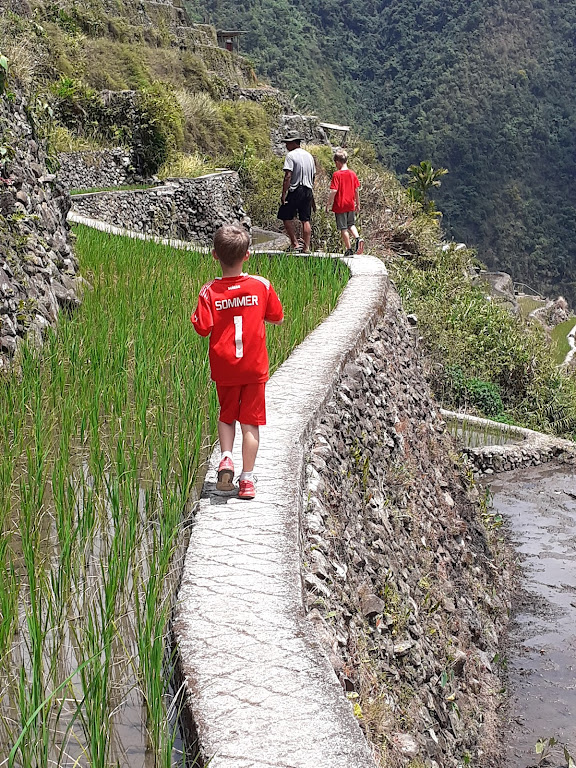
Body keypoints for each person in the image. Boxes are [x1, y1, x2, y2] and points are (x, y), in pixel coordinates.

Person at [191, 224, 284, 500]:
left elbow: (202, 328)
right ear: (247, 255)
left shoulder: (209, 291)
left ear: (214, 256)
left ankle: (227, 458)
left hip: (225, 367)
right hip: (254, 367)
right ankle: (246, 480)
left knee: (226, 415)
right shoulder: (262, 285)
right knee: (251, 424)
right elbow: (276, 317)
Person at [278, 129, 316, 253]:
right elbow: (313, 176)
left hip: (296, 189)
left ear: (294, 143)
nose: (286, 146)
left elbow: (288, 175)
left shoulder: (291, 156)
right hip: (308, 190)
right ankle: (306, 247)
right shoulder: (309, 156)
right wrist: (312, 197)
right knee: (305, 219)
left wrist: (284, 194)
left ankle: (295, 244)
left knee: (285, 215)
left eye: (287, 143)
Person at [325, 148, 364, 256]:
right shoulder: (352, 174)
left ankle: (349, 249)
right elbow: (356, 190)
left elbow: (334, 190)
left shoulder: (337, 174)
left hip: (340, 205)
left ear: (337, 162)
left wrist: (328, 203)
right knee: (351, 224)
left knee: (343, 228)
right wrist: (358, 204)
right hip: (350, 203)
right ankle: (358, 238)